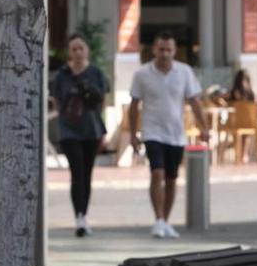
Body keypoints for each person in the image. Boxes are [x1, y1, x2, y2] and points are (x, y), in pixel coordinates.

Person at [127, 32, 210, 239]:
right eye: (161, 49)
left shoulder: (184, 72)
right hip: (152, 132)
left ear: (174, 51)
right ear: (154, 49)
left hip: (176, 134)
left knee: (172, 179)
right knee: (157, 173)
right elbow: (134, 105)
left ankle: (166, 220)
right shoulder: (142, 74)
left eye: (169, 50)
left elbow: (194, 101)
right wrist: (133, 133)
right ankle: (158, 219)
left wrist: (204, 127)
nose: (164, 54)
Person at [50, 34, 109, 238]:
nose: (77, 52)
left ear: (87, 51)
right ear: (69, 52)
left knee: (87, 173)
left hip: (91, 128)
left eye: (80, 48)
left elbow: (102, 100)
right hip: (69, 130)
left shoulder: (96, 73)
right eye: (73, 49)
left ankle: (84, 215)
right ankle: (78, 218)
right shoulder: (62, 75)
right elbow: (57, 101)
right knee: (77, 173)